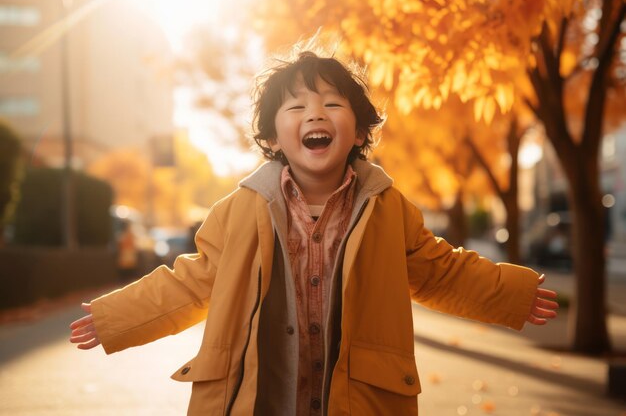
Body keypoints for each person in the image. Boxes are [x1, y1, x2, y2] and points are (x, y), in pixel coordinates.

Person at [70, 51, 558, 416]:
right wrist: (117, 317)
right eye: (295, 107)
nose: (315, 114)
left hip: (362, 399)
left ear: (359, 129)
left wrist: (509, 294)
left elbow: (440, 271)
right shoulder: (241, 209)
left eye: (332, 103)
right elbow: (191, 281)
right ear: (273, 136)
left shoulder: (386, 209)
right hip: (260, 398)